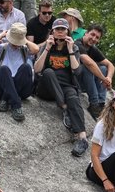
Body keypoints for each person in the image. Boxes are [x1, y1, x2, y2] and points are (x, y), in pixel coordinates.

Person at [34, 18, 90, 157]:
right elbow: (37, 69)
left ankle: (82, 138)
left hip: (66, 86)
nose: (60, 32)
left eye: (63, 29)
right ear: (52, 31)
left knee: (73, 97)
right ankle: (64, 107)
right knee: (48, 72)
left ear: (67, 31)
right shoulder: (46, 47)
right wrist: (47, 47)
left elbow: (77, 71)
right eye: (57, 29)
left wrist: (70, 50)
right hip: (46, 87)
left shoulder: (74, 47)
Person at [0, 21, 37, 122]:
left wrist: (24, 40)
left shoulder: (25, 49)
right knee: (4, 69)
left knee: (26, 67)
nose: (16, 44)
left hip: (20, 87)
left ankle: (6, 99)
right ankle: (16, 105)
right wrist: (3, 34)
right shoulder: (2, 48)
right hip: (0, 88)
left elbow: (36, 49)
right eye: (14, 40)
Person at [77, 24, 115, 118]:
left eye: (97, 37)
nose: (94, 39)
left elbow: (111, 65)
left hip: (87, 83)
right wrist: (103, 79)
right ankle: (94, 103)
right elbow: (89, 63)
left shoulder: (93, 49)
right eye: (92, 34)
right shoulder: (77, 44)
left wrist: (109, 78)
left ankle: (101, 103)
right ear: (85, 33)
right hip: (75, 81)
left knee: (104, 68)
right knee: (87, 67)